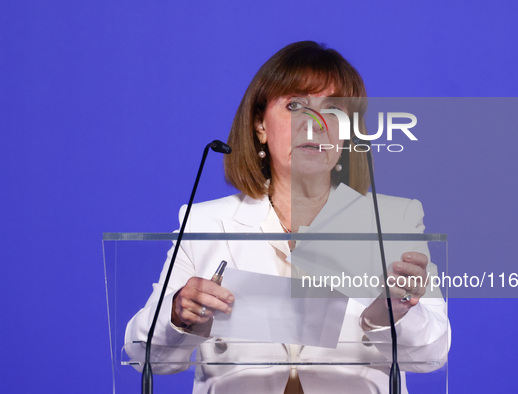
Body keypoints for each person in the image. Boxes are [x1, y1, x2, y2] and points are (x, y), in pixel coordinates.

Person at [125, 41, 450, 394]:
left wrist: (387, 314)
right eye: (296, 105)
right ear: (260, 124)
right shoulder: (205, 223)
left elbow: (432, 355)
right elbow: (145, 355)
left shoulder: (393, 219)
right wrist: (178, 315)